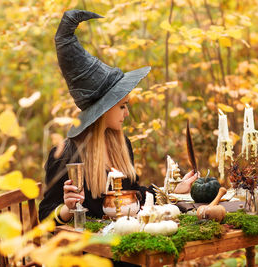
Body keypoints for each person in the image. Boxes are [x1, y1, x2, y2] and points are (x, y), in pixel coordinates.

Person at [38, 10, 198, 225]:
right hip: (90, 252)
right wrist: (67, 209)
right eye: (122, 106)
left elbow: (135, 193)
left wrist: (173, 191)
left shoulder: (120, 144)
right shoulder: (66, 155)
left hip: (126, 244)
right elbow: (44, 218)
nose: (127, 113)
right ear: (104, 109)